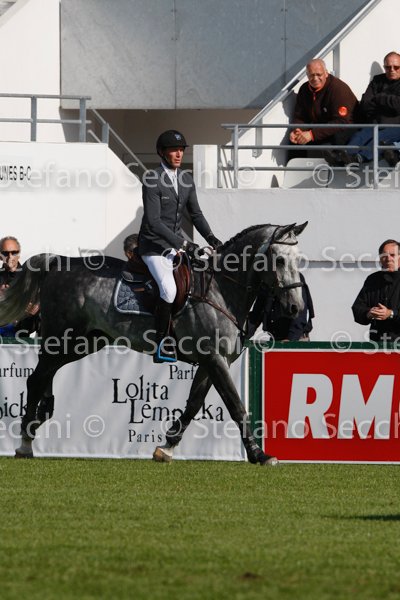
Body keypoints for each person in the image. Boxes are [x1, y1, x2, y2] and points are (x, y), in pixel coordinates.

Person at [138, 130, 222, 363]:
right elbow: (154, 222)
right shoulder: (152, 179)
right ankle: (161, 343)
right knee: (169, 289)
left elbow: (196, 214)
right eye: (173, 150)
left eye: (181, 150)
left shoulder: (186, 179)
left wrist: (212, 238)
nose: (178, 154)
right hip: (154, 247)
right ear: (161, 152)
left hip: (175, 246)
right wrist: (185, 244)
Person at [330, 52, 400, 167]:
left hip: (395, 126)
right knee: (359, 136)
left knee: (379, 138)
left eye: (396, 67)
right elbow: (365, 103)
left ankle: (359, 158)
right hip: (375, 123)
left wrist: (379, 98)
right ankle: (342, 158)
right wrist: (388, 106)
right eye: (388, 67)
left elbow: (398, 105)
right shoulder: (377, 80)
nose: (392, 70)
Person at [289, 58, 358, 156]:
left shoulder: (338, 89)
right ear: (307, 75)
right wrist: (297, 130)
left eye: (319, 74)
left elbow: (342, 121)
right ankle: (293, 166)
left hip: (345, 129)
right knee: (294, 143)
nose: (315, 78)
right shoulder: (304, 89)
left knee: (326, 147)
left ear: (326, 73)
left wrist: (312, 134)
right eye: (311, 75)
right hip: (321, 129)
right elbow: (300, 116)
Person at [352, 239, 400, 343]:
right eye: (384, 256)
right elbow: (357, 307)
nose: (388, 259)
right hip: (377, 344)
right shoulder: (372, 280)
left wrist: (391, 313)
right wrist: (369, 313)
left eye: (393, 255)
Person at [247, 273, 314, 341]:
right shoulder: (267, 280)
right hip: (276, 338)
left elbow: (300, 313)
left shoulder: (295, 278)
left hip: (297, 339)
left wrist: (291, 339)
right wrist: (244, 334)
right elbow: (256, 314)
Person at [0, 236, 40, 337]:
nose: (10, 257)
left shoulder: (31, 278)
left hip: (21, 330)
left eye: (14, 252)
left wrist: (34, 307)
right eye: (5, 253)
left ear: (18, 254)